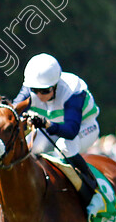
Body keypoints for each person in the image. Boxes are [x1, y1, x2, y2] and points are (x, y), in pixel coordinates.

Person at [14, 53, 101, 211]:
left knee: (65, 146)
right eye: (35, 90)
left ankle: (92, 191)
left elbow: (71, 131)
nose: (39, 96)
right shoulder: (31, 86)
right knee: (32, 147)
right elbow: (13, 111)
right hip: (56, 127)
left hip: (84, 127)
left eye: (44, 91)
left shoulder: (73, 93)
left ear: (55, 86)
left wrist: (46, 123)